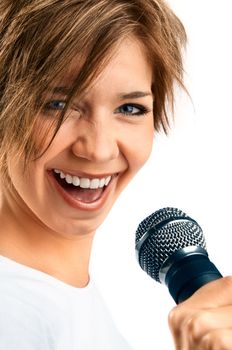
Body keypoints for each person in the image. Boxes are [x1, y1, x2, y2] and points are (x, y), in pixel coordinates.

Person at [0, 0, 231, 349]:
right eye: (57, 104)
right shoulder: (12, 316)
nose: (99, 149)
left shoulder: (58, 300)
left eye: (129, 108)